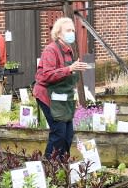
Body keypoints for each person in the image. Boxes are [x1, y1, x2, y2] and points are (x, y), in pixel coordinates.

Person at [34, 17, 90, 160]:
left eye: (73, 30)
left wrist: (74, 96)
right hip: (47, 95)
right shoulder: (50, 50)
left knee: (68, 134)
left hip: (63, 97)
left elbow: (68, 79)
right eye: (68, 30)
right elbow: (47, 75)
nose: (72, 33)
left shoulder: (69, 51)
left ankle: (62, 164)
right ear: (58, 34)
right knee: (58, 132)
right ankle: (49, 165)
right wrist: (69, 68)